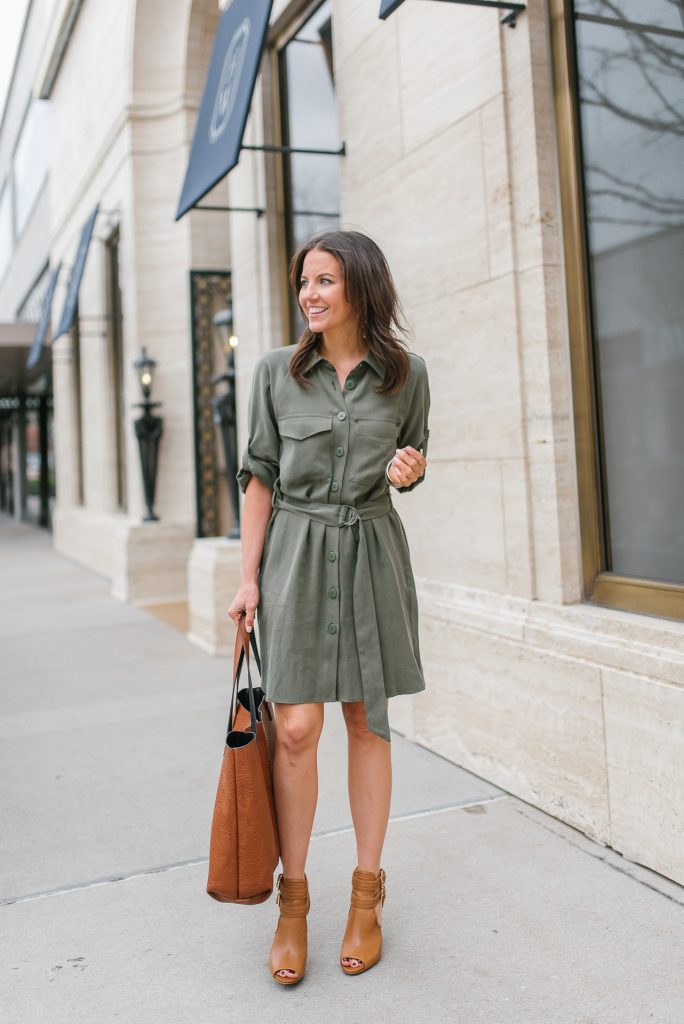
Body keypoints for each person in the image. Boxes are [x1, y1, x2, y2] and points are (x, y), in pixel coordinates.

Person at [228, 229, 430, 985]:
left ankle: (367, 897)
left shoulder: (406, 375)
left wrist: (409, 472)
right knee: (298, 727)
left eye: (323, 282)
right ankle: (294, 900)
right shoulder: (276, 372)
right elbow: (258, 480)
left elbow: (411, 459)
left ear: (360, 288)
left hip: (373, 552)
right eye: (303, 282)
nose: (309, 295)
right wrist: (247, 579)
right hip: (297, 557)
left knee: (365, 718)